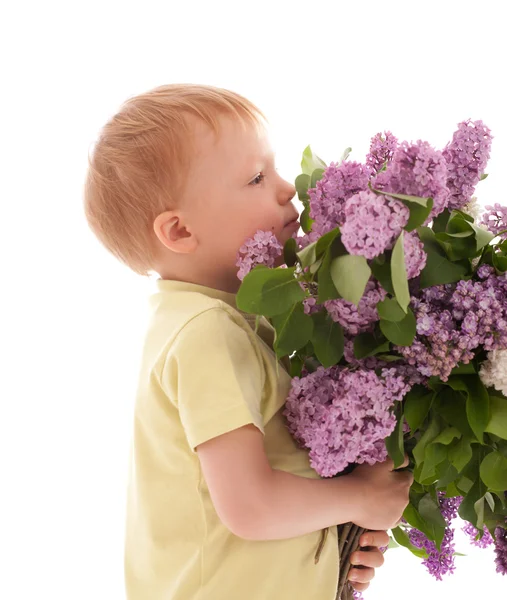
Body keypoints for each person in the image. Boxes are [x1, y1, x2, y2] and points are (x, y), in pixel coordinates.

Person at [83, 83, 414, 599]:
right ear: (179, 231)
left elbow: (274, 482)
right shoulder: (203, 333)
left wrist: (336, 544)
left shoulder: (233, 322)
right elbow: (250, 507)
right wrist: (357, 499)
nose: (286, 189)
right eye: (257, 178)